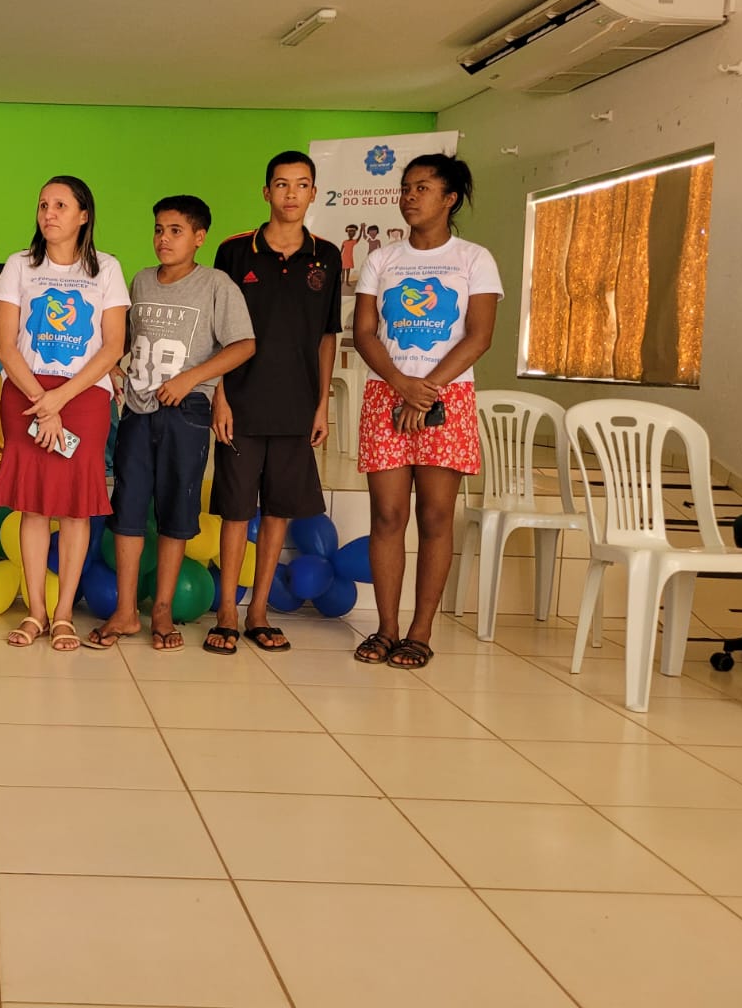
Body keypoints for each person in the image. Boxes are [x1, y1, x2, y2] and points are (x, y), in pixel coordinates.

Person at [351, 154, 501, 669]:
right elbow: (364, 332)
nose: (410, 197)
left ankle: (420, 631)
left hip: (447, 397)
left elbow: (479, 336)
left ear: (449, 199)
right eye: (406, 188)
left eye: (422, 188)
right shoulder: (382, 259)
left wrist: (428, 390)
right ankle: (386, 628)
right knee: (387, 515)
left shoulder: (474, 259)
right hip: (386, 394)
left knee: (435, 515)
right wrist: (402, 385)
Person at [86, 195, 254, 651]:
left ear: (199, 237)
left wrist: (191, 379)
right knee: (128, 509)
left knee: (176, 510)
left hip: (187, 411)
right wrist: (112, 364)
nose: (164, 238)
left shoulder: (216, 285)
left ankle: (161, 609)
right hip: (137, 411)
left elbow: (243, 345)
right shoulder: (141, 280)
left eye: (176, 230)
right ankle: (125, 612)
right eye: (159, 229)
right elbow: (123, 336)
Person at [209, 151, 342, 654]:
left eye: (301, 184)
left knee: (279, 510)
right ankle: (227, 609)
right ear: (266, 192)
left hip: (296, 406)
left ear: (313, 193)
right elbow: (215, 335)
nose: (291, 193)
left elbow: (327, 336)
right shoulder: (234, 251)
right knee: (236, 509)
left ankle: (258, 611)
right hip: (241, 402)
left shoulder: (327, 256)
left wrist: (321, 404)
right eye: (281, 184)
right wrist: (220, 396)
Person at [0, 176, 128, 651]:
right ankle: (35, 612)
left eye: (61, 205)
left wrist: (61, 399)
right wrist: (42, 402)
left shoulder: (107, 269)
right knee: (32, 506)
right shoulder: (20, 266)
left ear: (84, 215)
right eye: (43, 204)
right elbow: (5, 345)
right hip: (26, 394)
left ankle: (64, 614)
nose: (49, 213)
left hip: (83, 398)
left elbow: (113, 346)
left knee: (74, 508)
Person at [341, 223, 360, 288]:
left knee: (348, 270)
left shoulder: (353, 241)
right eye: (349, 232)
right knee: (343, 270)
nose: (351, 233)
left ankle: (347, 281)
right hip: (344, 257)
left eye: (353, 232)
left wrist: (361, 229)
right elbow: (341, 250)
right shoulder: (344, 241)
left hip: (349, 257)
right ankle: (342, 281)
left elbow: (359, 238)